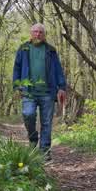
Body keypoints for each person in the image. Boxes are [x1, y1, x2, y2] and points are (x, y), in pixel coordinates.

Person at [12, 23, 67, 158]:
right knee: (28, 114)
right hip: (28, 91)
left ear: (44, 35)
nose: (38, 34)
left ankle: (45, 151)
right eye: (35, 32)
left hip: (48, 92)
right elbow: (17, 68)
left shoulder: (51, 50)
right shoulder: (23, 48)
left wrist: (61, 87)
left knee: (47, 123)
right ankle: (33, 139)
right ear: (31, 33)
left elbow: (58, 70)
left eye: (40, 32)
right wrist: (16, 85)